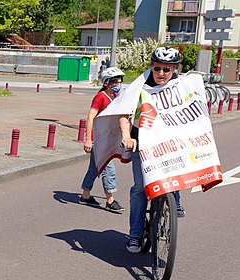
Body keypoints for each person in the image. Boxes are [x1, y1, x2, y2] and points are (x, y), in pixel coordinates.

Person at [119, 47, 186, 253]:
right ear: (152, 67)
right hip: (143, 144)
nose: (162, 73)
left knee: (174, 179)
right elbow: (124, 114)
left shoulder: (181, 87)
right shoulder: (140, 87)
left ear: (175, 69)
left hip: (169, 143)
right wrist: (127, 136)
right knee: (140, 187)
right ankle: (136, 235)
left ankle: (174, 201)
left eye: (167, 69)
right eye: (157, 68)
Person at [80, 67, 125, 213]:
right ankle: (110, 200)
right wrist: (88, 139)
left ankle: (85, 196)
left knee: (94, 167)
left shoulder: (115, 97)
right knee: (107, 167)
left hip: (106, 139)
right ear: (106, 83)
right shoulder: (101, 97)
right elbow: (90, 117)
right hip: (98, 140)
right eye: (113, 81)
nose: (117, 84)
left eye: (119, 81)